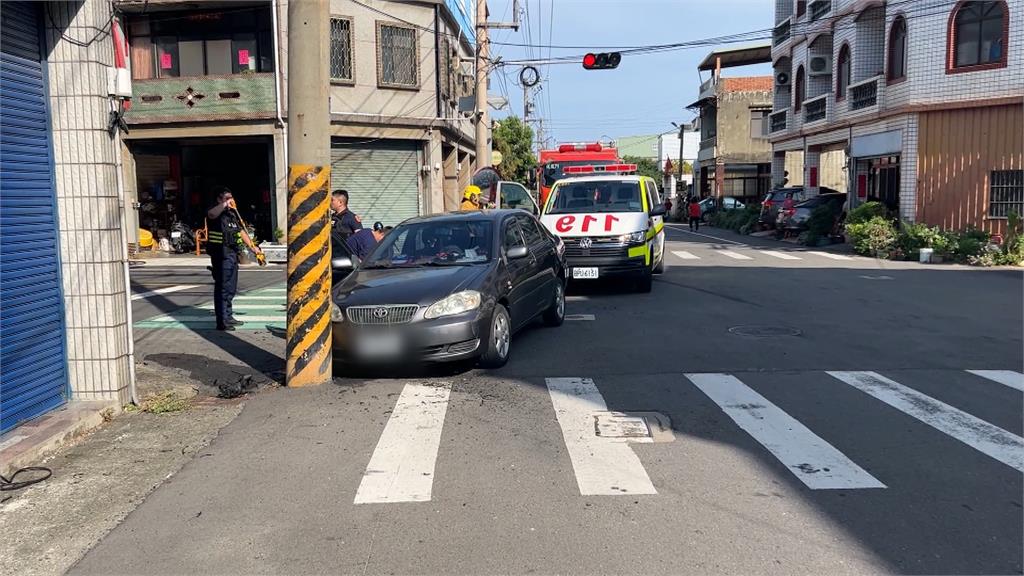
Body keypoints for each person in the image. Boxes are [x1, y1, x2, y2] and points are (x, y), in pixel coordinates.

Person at [206, 187, 263, 331]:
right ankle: (222, 321)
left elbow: (241, 230)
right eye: (226, 198)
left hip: (232, 254)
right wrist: (225, 204)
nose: (230, 200)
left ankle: (229, 316)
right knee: (223, 288)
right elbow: (211, 214)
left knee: (231, 288)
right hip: (221, 254)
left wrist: (252, 247)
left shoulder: (232, 214)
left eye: (231, 197)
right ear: (219, 200)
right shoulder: (216, 211)